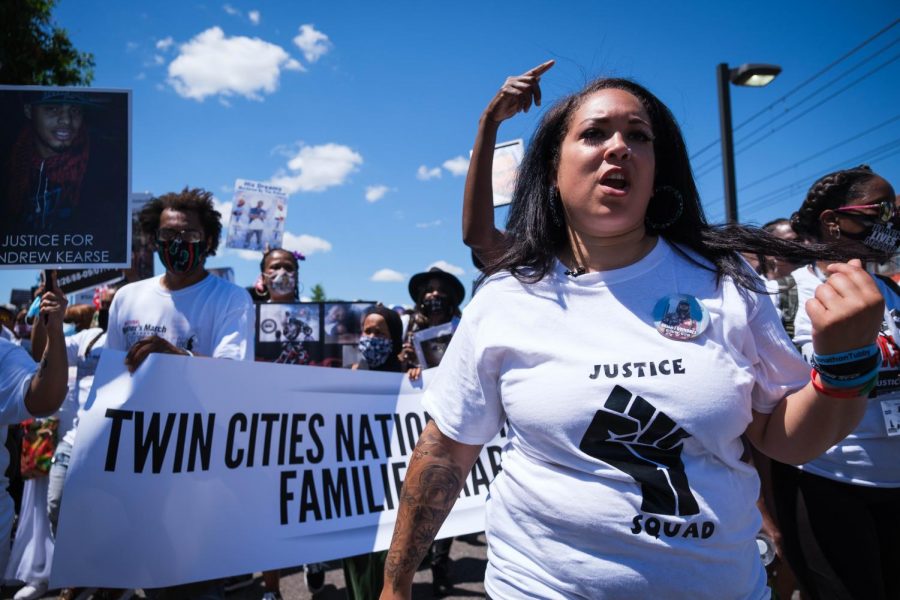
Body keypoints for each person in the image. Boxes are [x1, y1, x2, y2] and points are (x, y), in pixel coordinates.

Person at [380, 65, 884, 600]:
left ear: (656, 169)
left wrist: (846, 366)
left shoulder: (727, 280)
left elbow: (785, 439)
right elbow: (444, 451)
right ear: (553, 168)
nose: (618, 147)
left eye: (638, 136)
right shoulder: (506, 297)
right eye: (594, 133)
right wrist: (395, 583)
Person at [105, 187, 254, 598]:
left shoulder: (230, 299)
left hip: (200, 459)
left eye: (188, 236)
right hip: (138, 455)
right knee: (147, 570)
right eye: (167, 237)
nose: (177, 245)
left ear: (207, 241)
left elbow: (231, 376)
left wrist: (175, 356)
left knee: (195, 575)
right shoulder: (127, 297)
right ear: (154, 240)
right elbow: (112, 380)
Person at [768, 165, 900, 600]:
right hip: (824, 483)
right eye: (881, 211)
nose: (892, 223)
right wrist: (764, 512)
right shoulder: (782, 299)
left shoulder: (893, 292)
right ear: (832, 221)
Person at [251, 248, 324, 599]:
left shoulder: (318, 316)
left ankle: (313, 556)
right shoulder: (248, 317)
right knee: (268, 507)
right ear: (262, 276)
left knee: (306, 498)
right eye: (273, 266)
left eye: (287, 266)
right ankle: (271, 588)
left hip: (310, 420)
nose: (281, 272)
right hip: (266, 421)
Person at [0, 275, 69, 595]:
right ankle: (33, 568)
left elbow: (43, 393)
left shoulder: (5, 353)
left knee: (52, 502)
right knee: (35, 496)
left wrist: (56, 328)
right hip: (39, 431)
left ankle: (50, 572)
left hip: (60, 435)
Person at [3, 91, 127, 251]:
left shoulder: (106, 168)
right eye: (52, 109)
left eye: (75, 111)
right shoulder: (10, 163)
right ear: (29, 111)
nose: (67, 120)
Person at [340, 304, 405, 599]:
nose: (371, 337)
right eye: (367, 331)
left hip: (393, 487)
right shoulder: (350, 373)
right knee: (357, 561)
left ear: (394, 338)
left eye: (379, 332)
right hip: (356, 485)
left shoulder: (407, 376)